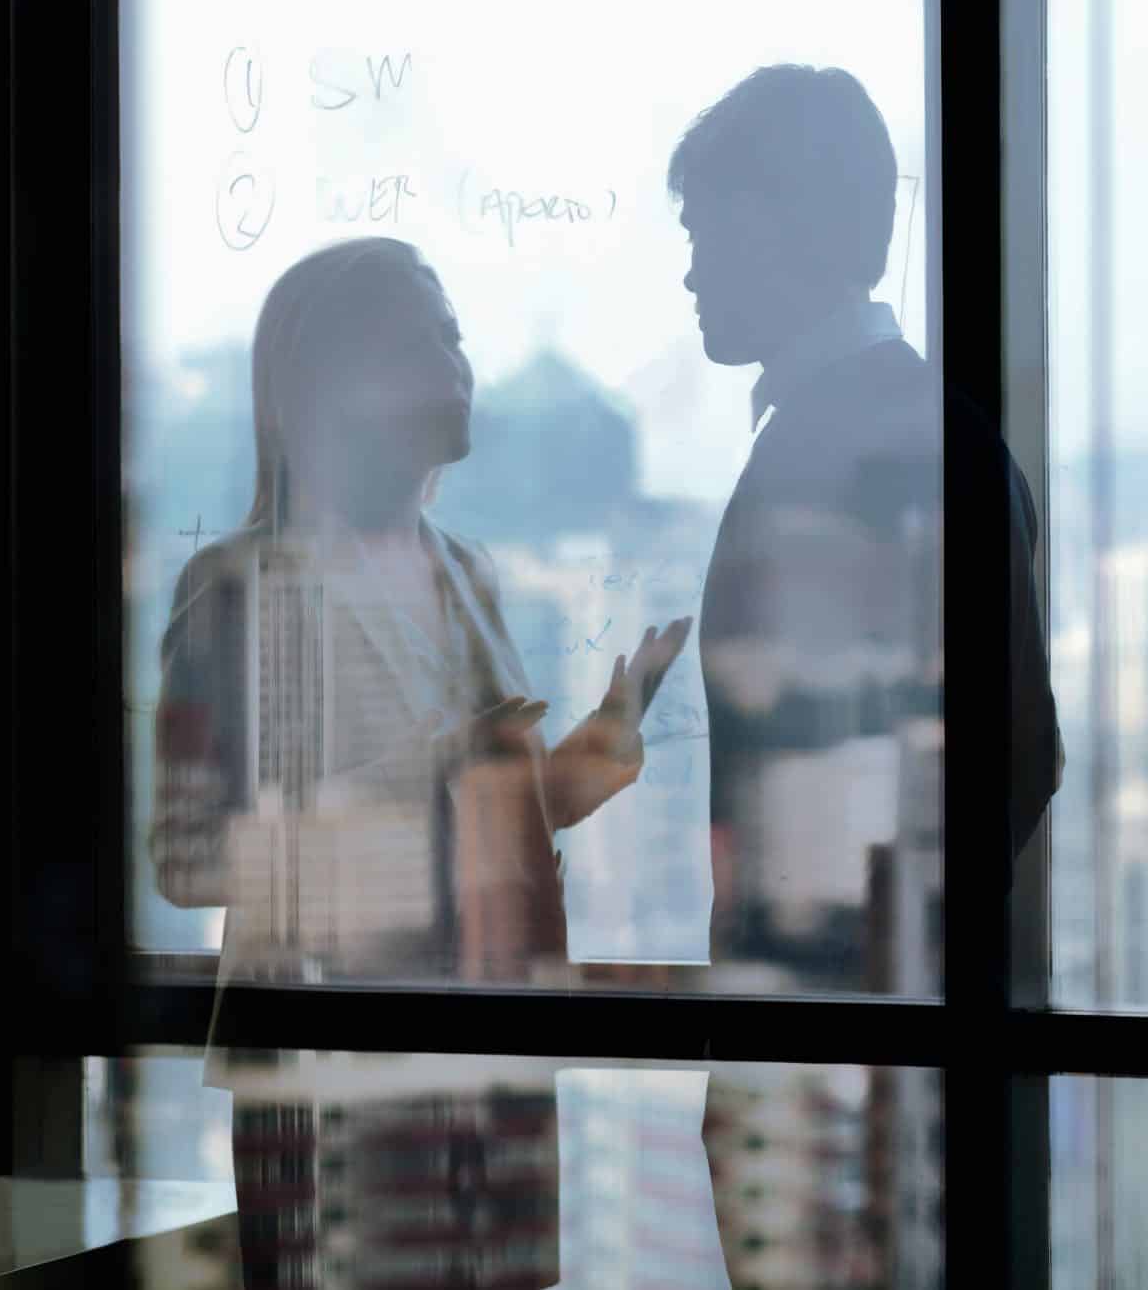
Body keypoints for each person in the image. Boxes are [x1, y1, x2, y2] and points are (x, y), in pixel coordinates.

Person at [148, 235, 693, 1286]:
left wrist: (595, 749)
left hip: (491, 1051)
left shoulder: (468, 574)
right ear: (333, 384)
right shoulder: (238, 589)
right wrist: (424, 787)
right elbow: (185, 859)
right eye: (423, 340)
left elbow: (483, 819)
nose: (459, 363)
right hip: (331, 1066)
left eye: (456, 336)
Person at [670, 64, 1063, 982]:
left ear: (778, 230)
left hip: (843, 1042)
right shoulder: (932, 429)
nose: (691, 272)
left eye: (706, 234)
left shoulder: (848, 449)